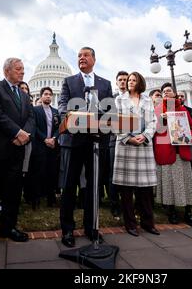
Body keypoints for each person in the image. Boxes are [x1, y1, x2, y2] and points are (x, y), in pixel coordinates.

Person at [58, 46, 113, 247]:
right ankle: (67, 230)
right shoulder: (69, 81)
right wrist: (72, 116)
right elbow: (63, 105)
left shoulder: (105, 84)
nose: (81, 58)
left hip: (97, 142)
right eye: (79, 55)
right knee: (70, 185)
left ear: (94, 59)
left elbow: (110, 111)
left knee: (94, 187)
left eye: (86, 55)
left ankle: (92, 228)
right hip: (74, 140)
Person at [0, 58, 35, 248]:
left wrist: (25, 134)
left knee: (13, 192)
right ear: (7, 71)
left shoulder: (25, 95)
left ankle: (8, 227)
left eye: (23, 69)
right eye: (18, 69)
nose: (22, 72)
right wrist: (16, 132)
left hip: (17, 150)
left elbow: (30, 117)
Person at [113, 71, 160, 236]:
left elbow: (153, 121)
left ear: (140, 82)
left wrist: (146, 135)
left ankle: (148, 223)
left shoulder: (147, 100)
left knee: (145, 189)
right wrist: (128, 138)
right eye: (129, 80)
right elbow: (115, 121)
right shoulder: (119, 99)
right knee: (126, 190)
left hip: (143, 147)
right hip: (126, 147)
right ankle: (130, 224)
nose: (130, 82)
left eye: (133, 80)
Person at [154, 83, 192, 227]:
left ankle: (188, 211)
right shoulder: (158, 109)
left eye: (169, 91)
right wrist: (162, 119)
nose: (166, 93)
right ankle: (171, 210)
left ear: (174, 93)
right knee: (169, 182)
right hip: (166, 150)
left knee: (186, 182)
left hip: (182, 150)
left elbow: (191, 128)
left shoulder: (183, 109)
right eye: (164, 91)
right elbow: (155, 131)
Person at [30, 86, 60, 208]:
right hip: (40, 145)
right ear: (41, 96)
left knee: (51, 173)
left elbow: (58, 128)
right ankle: (36, 198)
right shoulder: (35, 110)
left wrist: (53, 138)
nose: (48, 96)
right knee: (38, 172)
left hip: (52, 146)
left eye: (50, 94)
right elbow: (34, 127)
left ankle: (51, 198)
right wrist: (44, 139)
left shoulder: (55, 112)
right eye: (46, 94)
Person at [107, 71, 129, 219]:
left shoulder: (135, 99)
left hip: (132, 141)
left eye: (125, 80)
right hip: (114, 140)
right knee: (113, 174)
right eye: (120, 80)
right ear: (116, 83)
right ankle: (114, 204)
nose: (122, 82)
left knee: (129, 174)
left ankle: (127, 204)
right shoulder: (110, 100)